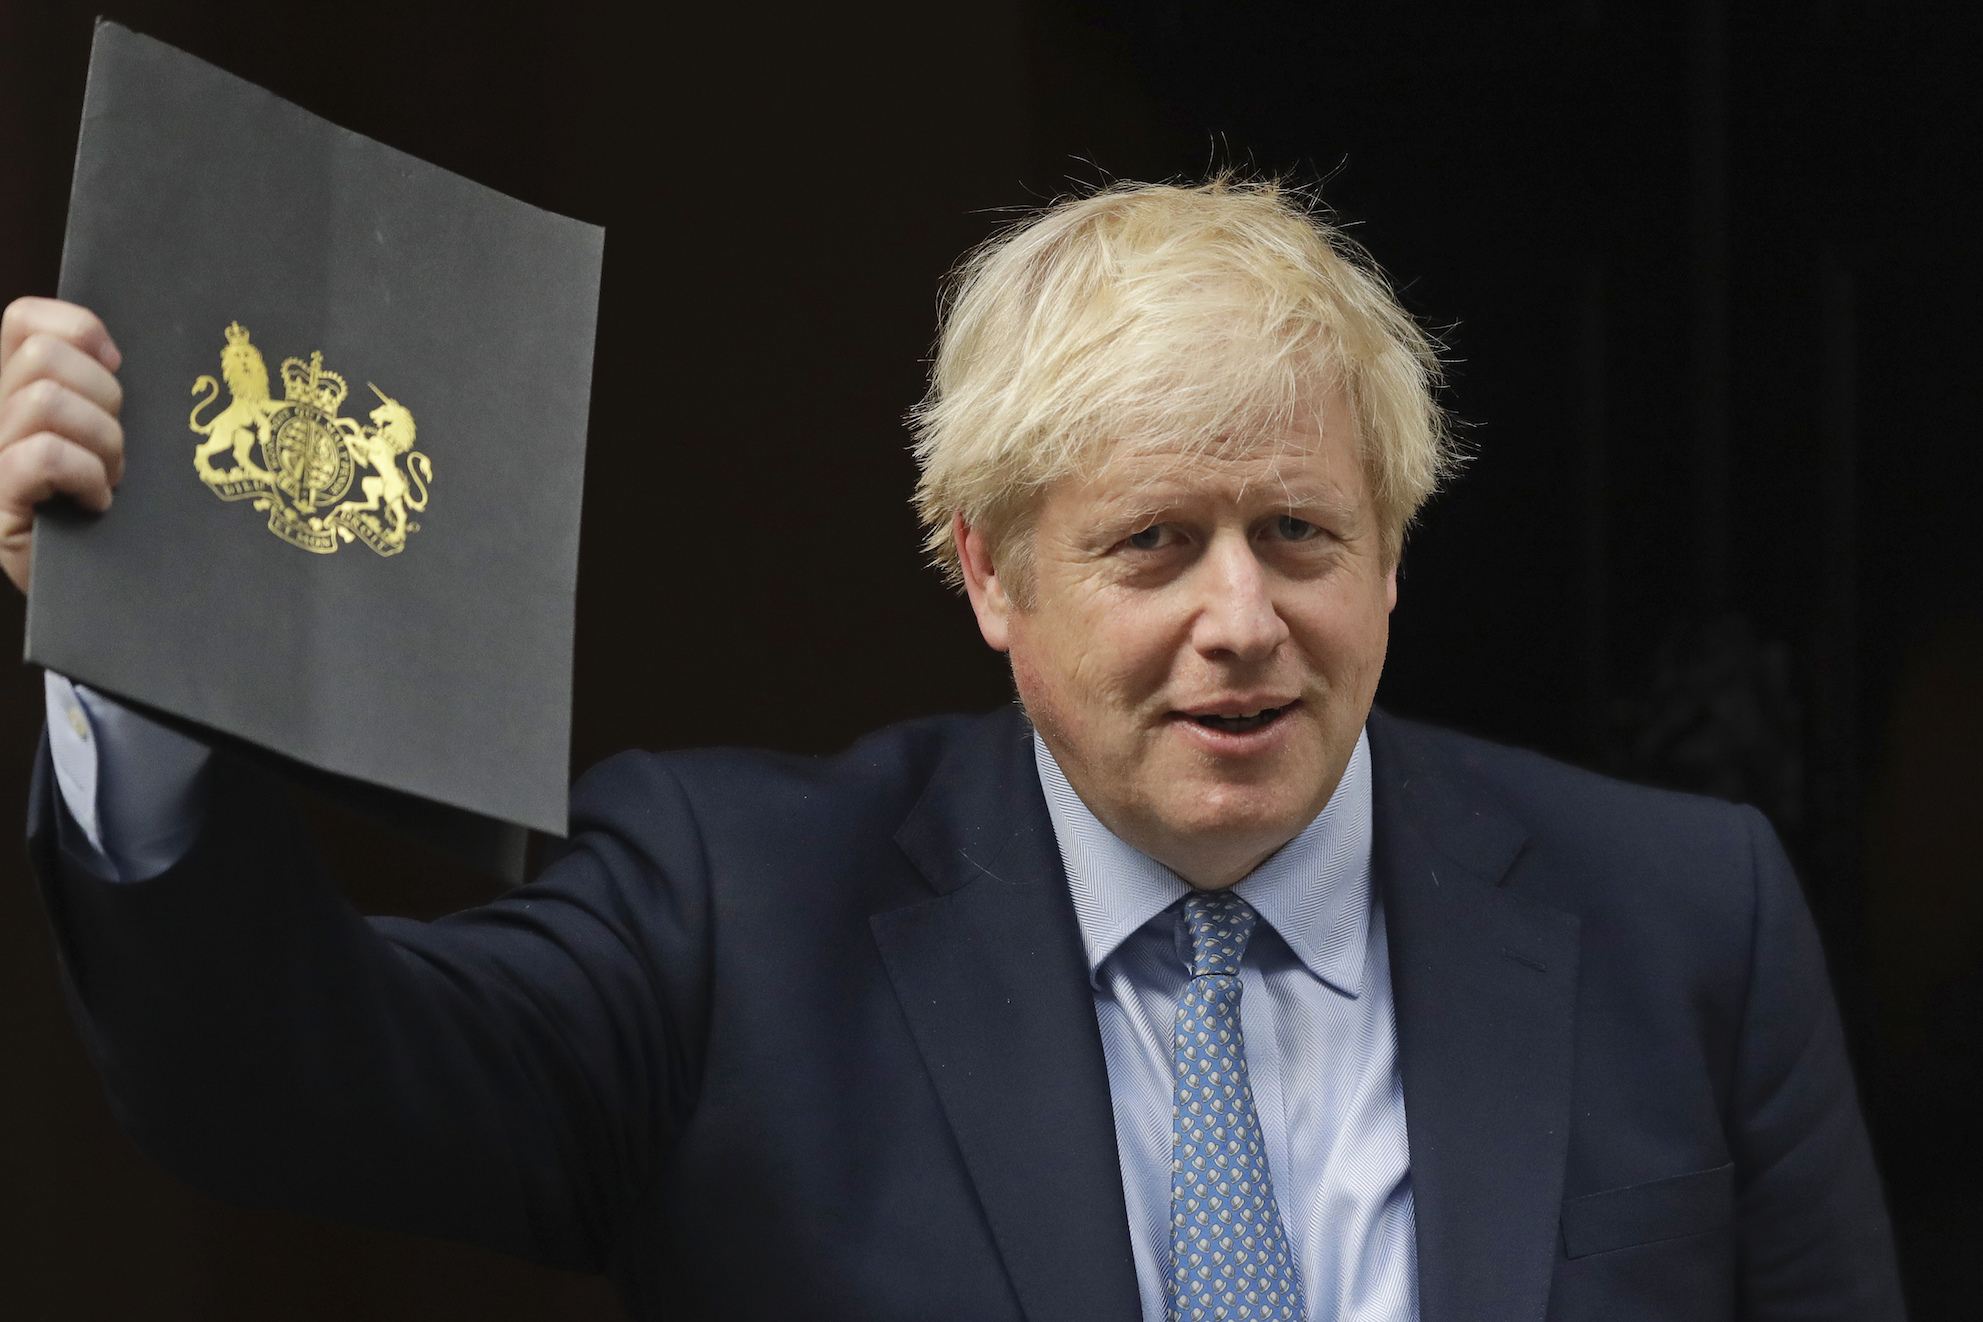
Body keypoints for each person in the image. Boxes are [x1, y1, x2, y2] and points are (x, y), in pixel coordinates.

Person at [1, 180, 1904, 1321]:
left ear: (1392, 554)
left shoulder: (1684, 917)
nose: (1240, 617)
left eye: (1301, 534)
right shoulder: (738, 909)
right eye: (1152, 544)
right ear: (988, 572)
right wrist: (151, 648)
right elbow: (288, 1085)